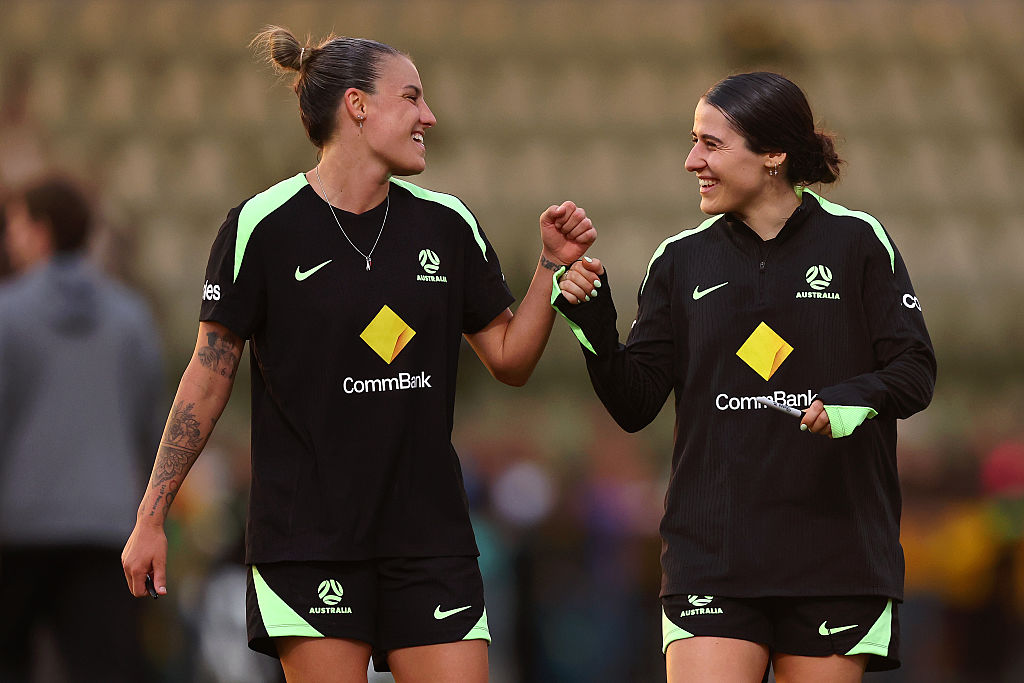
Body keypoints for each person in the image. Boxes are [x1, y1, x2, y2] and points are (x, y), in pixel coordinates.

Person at [121, 25, 596, 683]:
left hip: (431, 540)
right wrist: (151, 516)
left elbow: (511, 360)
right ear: (358, 105)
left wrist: (549, 266)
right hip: (308, 540)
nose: (429, 115)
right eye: (412, 97)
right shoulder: (261, 225)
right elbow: (207, 374)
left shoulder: (448, 223)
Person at [553, 72, 936, 682]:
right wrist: (593, 325)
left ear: (773, 155)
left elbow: (915, 372)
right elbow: (634, 403)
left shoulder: (858, 241)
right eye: (693, 142)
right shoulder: (679, 258)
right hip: (711, 553)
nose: (691, 161)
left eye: (710, 144)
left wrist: (850, 398)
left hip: (834, 552)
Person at [0, 175, 163, 682]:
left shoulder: (8, 313)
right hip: (108, 529)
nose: (10, 238)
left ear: (40, 231)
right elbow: (153, 426)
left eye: (16, 224)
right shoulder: (132, 317)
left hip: (18, 529)